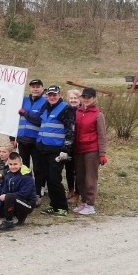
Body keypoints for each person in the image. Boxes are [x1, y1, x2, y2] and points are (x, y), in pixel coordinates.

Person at [35, 85, 75, 216]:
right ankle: (53, 205)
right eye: (50, 95)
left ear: (59, 95)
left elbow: (71, 130)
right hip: (43, 149)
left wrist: (66, 149)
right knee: (47, 178)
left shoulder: (65, 109)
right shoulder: (46, 106)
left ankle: (62, 207)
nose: (52, 97)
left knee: (54, 179)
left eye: (55, 95)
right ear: (47, 95)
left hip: (57, 151)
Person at [73, 87, 108, 216]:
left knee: (90, 178)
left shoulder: (98, 114)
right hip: (78, 149)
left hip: (92, 150)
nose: (86, 99)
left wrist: (102, 153)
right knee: (80, 177)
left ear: (94, 99)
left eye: (89, 97)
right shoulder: (78, 112)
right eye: (84, 97)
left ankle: (90, 204)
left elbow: (102, 135)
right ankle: (83, 201)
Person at [11, 78, 46, 200]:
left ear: (42, 88)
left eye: (38, 86)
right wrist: (12, 137)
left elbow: (39, 120)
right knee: (24, 167)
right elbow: (13, 118)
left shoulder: (45, 102)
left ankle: (38, 190)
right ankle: (27, 189)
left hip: (36, 140)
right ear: (29, 88)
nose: (35, 89)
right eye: (33, 87)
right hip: (22, 139)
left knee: (38, 167)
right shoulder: (23, 100)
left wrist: (25, 113)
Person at [0, 152, 38, 232]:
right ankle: (15, 217)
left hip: (27, 204)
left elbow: (24, 194)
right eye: (10, 164)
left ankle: (9, 222)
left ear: (21, 164)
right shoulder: (8, 175)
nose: (13, 167)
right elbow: (3, 192)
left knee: (9, 196)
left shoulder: (26, 176)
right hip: (14, 200)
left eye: (15, 164)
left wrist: (6, 196)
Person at [65, 88, 82, 203]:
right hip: (68, 144)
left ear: (80, 99)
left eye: (75, 98)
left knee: (78, 170)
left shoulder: (82, 111)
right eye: (71, 98)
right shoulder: (66, 110)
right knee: (68, 168)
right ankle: (70, 189)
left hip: (79, 144)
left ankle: (77, 192)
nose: (73, 100)